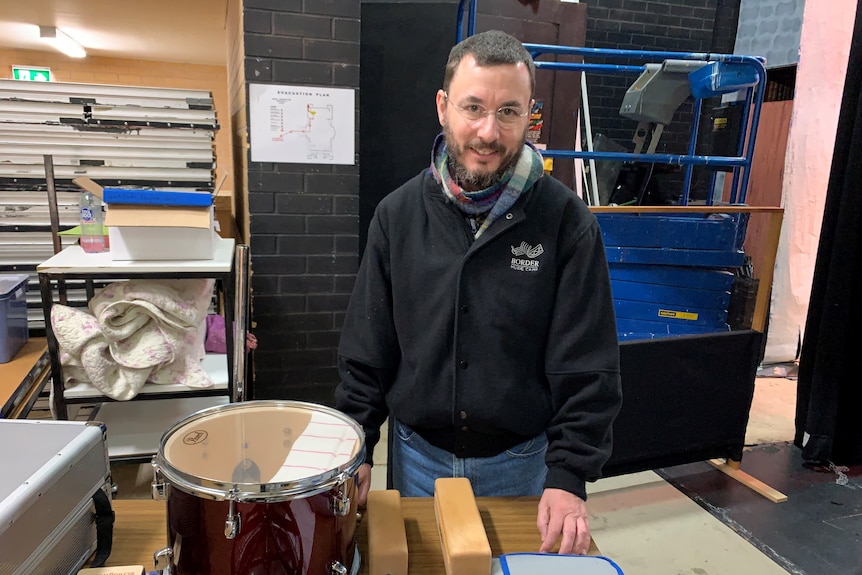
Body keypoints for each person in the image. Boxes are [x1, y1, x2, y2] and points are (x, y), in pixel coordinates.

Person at [335, 30, 622, 555]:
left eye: (508, 112)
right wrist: (356, 449)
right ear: (444, 108)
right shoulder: (396, 218)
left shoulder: (566, 224)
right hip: (414, 459)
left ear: (528, 114)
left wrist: (569, 475)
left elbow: (587, 363)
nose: (489, 132)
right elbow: (366, 352)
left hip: (521, 467)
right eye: (473, 107)